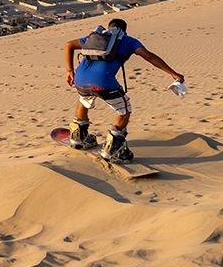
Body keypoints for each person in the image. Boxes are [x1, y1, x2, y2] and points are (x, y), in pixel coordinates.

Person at [64, 18, 184, 162]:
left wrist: (70, 70)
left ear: (109, 28)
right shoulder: (128, 40)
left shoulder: (96, 37)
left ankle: (78, 138)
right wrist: (173, 73)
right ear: (124, 31)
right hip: (103, 82)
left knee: (84, 99)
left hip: (80, 78)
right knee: (124, 109)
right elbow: (149, 56)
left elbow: (69, 45)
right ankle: (112, 149)